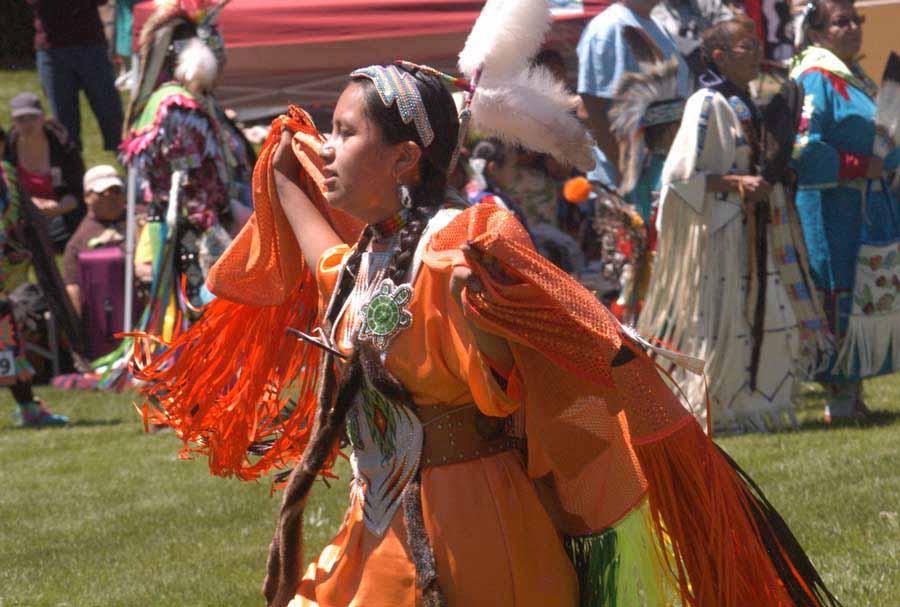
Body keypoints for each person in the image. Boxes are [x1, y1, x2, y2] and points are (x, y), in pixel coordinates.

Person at [132, 23, 839, 607]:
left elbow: (563, 349)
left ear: (405, 158)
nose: (328, 147)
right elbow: (315, 243)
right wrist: (288, 155)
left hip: (474, 536)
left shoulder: (460, 249)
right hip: (378, 525)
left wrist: (512, 298)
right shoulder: (364, 261)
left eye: (343, 133)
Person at [637, 15, 830, 432]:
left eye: (758, 45)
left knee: (772, 313)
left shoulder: (748, 101)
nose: (758, 53)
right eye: (747, 46)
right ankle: (719, 409)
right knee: (724, 323)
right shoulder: (706, 104)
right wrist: (735, 181)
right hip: (722, 233)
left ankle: (763, 406)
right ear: (719, 57)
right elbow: (677, 180)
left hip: (759, 229)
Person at [94, 0, 253, 389]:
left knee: (199, 310)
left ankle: (205, 386)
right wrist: (215, 222)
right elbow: (189, 179)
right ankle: (196, 389)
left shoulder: (186, 104)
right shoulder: (177, 106)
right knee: (195, 308)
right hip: (189, 228)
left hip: (191, 222)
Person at [790, 0, 900, 419]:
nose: (854, 28)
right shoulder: (815, 77)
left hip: (863, 205)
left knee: (861, 292)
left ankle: (852, 397)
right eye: (841, 22)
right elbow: (803, 148)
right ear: (816, 32)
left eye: (857, 20)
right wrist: (858, 165)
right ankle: (838, 396)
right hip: (830, 208)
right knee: (835, 292)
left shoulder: (853, 76)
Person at [577, 0, 692, 190]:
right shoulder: (609, 28)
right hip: (628, 187)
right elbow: (591, 111)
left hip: (663, 179)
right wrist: (628, 176)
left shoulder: (658, 27)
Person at [1, 128, 68, 427]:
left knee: (8, 343)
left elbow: (13, 221)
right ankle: (28, 406)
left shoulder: (6, 175)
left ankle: (28, 407)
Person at [25, 0, 124, 151]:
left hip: (91, 46)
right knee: (65, 127)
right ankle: (72, 170)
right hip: (52, 51)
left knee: (112, 117)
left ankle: (133, 169)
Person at [4, 93, 86, 253]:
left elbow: (78, 192)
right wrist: (30, 204)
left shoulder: (64, 147)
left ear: (43, 118)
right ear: (13, 122)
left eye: (32, 117)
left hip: (62, 213)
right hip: (22, 213)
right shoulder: (8, 150)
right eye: (21, 119)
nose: (28, 124)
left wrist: (59, 208)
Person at [62, 165, 126, 317]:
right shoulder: (77, 244)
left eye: (117, 191)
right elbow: (73, 289)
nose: (112, 197)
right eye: (104, 192)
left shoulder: (141, 218)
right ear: (87, 197)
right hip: (108, 319)